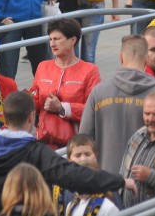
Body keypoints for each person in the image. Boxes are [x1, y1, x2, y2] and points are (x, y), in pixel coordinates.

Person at [0, 91, 136, 202]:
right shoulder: (38, 154)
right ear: (31, 116)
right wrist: (119, 181)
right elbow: (75, 175)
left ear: (5, 118)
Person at [79, 35, 155, 174]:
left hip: (106, 179)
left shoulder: (99, 92)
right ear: (147, 59)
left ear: (120, 57)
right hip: (144, 180)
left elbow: (83, 137)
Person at [28, 19, 101, 149]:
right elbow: (36, 101)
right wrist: (25, 101)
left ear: (72, 40)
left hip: (76, 144)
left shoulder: (90, 70)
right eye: (50, 39)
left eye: (57, 39)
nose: (52, 44)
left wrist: (62, 108)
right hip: (45, 140)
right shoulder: (43, 66)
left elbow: (95, 110)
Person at [119, 91, 155, 207]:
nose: (150, 119)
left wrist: (151, 177)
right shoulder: (137, 137)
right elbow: (122, 174)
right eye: (146, 113)